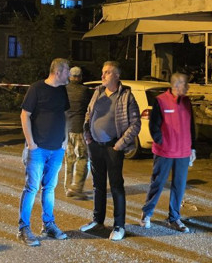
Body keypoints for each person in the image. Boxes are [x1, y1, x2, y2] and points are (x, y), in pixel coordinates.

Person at [80, 61, 141, 241]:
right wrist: (88, 136)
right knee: (98, 185)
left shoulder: (126, 96)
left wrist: (120, 144)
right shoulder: (98, 92)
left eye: (106, 73)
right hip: (95, 145)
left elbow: (135, 124)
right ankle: (98, 220)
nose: (102, 76)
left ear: (116, 75)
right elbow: (88, 114)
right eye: (102, 72)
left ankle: (119, 225)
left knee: (116, 186)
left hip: (113, 147)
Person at [17, 58, 71, 246]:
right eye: (67, 71)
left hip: (57, 149)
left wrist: (65, 139)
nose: (70, 75)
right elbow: (25, 115)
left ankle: (48, 225)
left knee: (49, 188)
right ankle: (24, 228)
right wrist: (31, 143)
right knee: (32, 187)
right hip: (38, 148)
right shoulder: (36, 88)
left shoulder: (62, 90)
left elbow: (65, 115)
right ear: (58, 72)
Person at [140, 73, 196, 232]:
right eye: (185, 84)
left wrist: (192, 147)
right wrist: (162, 141)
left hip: (183, 152)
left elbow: (191, 126)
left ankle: (174, 218)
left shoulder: (187, 102)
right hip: (165, 151)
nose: (188, 87)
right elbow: (154, 126)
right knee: (157, 183)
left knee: (179, 186)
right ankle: (147, 213)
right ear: (176, 85)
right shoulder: (160, 101)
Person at [63, 66, 90, 199]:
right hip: (79, 128)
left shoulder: (63, 90)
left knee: (69, 158)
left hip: (66, 129)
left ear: (69, 76)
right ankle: (76, 187)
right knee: (83, 158)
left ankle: (68, 186)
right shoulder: (84, 90)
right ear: (80, 77)